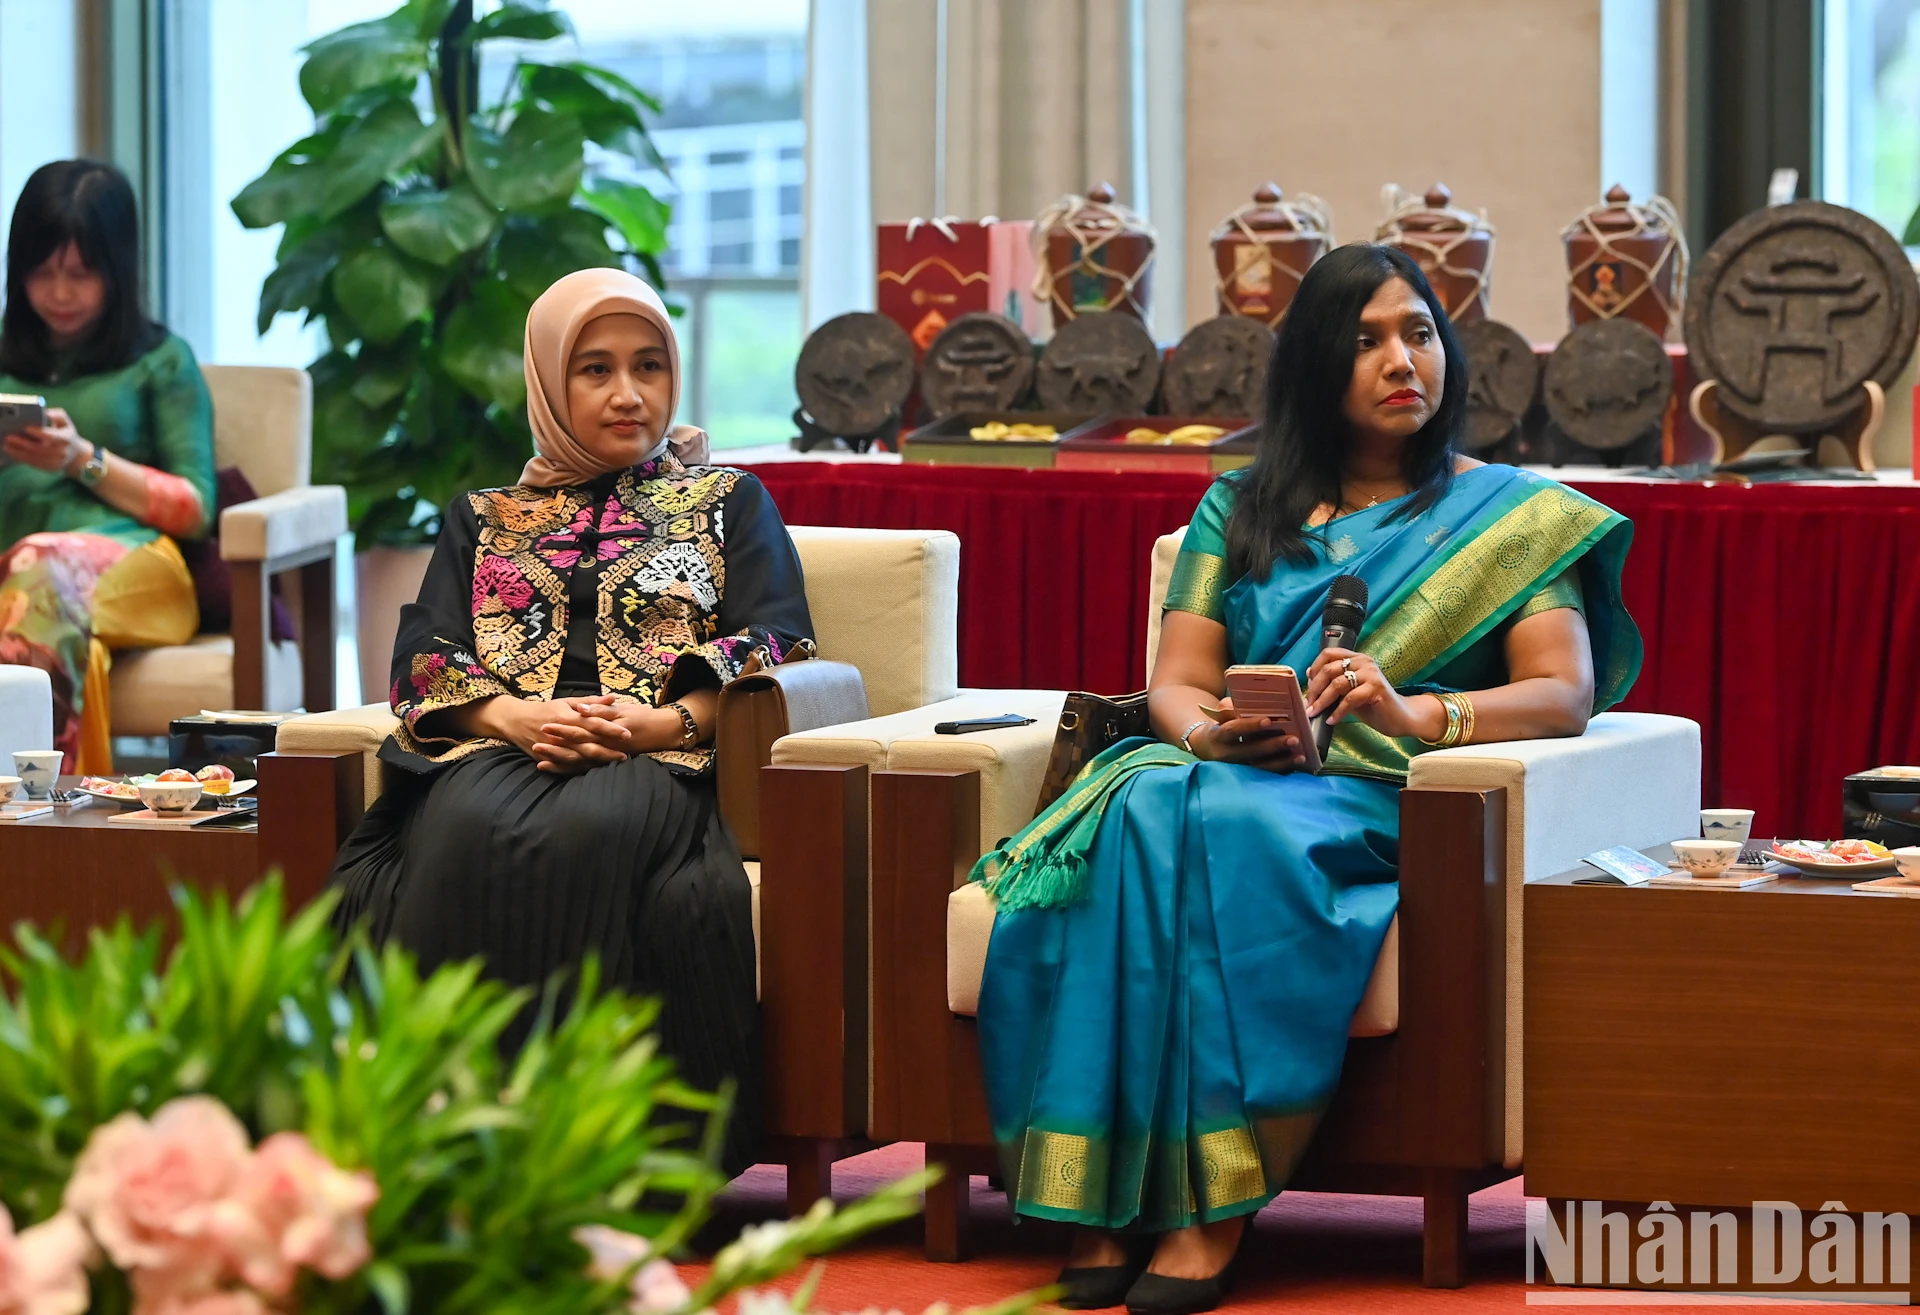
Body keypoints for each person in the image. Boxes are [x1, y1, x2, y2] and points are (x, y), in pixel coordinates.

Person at [973, 244, 1641, 1315]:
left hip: (1383, 796)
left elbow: (1562, 691)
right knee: (1144, 799)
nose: (1399, 360)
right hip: (1230, 776)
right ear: (1316, 363)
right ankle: (1094, 1198)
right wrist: (1214, 737)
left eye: (1417, 334)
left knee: (1207, 825)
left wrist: (1415, 710)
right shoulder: (1238, 510)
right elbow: (1176, 685)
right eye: (1368, 339)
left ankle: (1212, 1211)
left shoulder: (1516, 517)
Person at [328, 267, 812, 1176]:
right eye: (594, 370)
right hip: (500, 750)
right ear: (550, 383)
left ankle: (588, 1161)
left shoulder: (728, 503)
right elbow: (423, 654)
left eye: (649, 367)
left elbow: (778, 637)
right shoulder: (483, 518)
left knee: (593, 825)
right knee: (464, 828)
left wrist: (659, 724)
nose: (629, 394)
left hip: (662, 760)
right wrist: (517, 718)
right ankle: (446, 1147)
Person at [0, 160, 215, 771]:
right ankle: (67, 825)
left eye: (81, 273)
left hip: (140, 570)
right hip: (21, 576)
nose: (60, 293)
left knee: (38, 568)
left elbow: (196, 508)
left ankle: (37, 819)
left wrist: (82, 460)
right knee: (38, 593)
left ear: (117, 271)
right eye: (42, 272)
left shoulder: (163, 361)